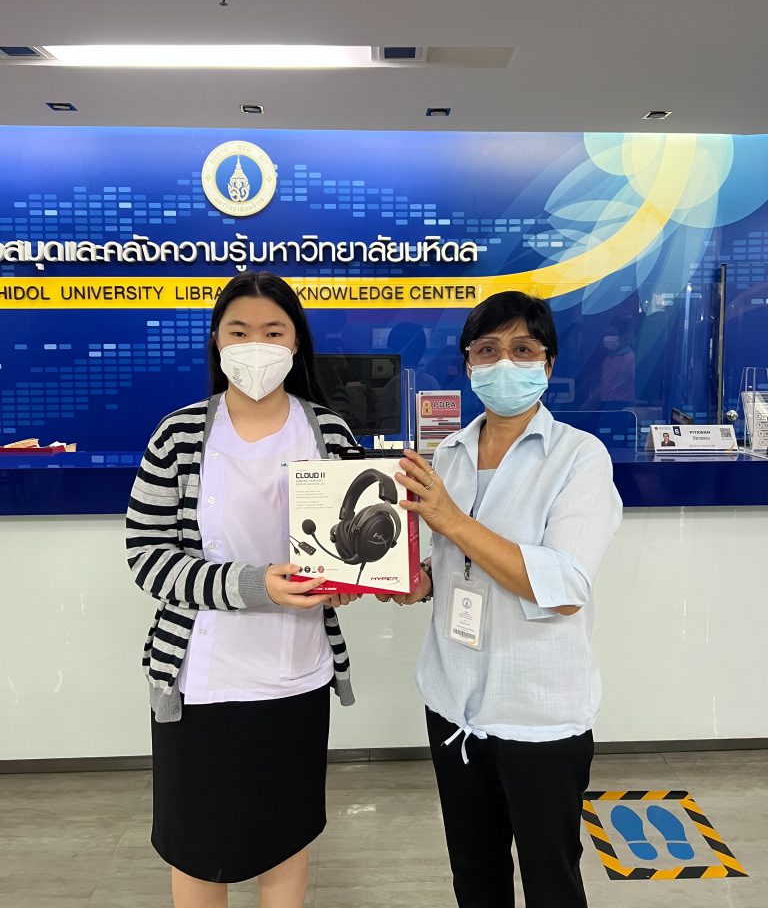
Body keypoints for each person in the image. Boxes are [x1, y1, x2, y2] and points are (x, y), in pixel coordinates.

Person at [126, 271, 359, 908]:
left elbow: (356, 545)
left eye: (273, 332)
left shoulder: (329, 433)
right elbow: (147, 558)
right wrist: (255, 585)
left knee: (286, 837)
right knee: (199, 846)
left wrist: (350, 582)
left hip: (296, 676)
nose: (257, 345)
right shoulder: (179, 435)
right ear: (216, 341)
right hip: (202, 682)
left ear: (296, 342)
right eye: (239, 331)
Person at [382, 290, 622, 908]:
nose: (504, 363)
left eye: (523, 349)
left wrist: (452, 520)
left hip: (536, 716)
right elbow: (448, 564)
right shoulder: (449, 455)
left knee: (551, 883)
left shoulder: (579, 458)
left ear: (548, 363)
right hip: (452, 705)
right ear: (469, 364)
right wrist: (414, 582)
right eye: (487, 350)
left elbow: (564, 588)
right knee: (475, 878)